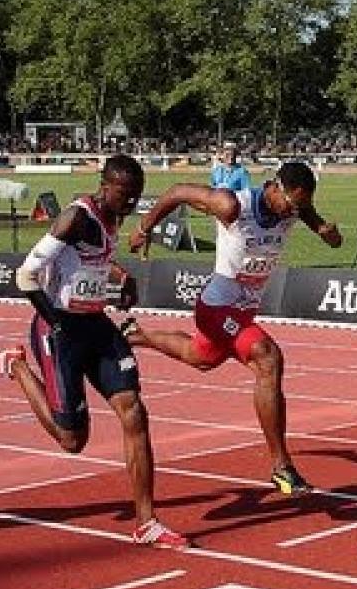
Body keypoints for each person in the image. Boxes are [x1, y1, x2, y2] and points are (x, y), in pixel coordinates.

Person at [0, 155, 188, 549]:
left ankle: (148, 522)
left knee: (134, 410)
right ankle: (18, 367)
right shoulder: (76, 218)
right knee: (72, 441)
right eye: (125, 196)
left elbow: (94, 261)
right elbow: (26, 274)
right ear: (105, 185)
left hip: (96, 324)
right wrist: (55, 322)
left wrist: (122, 277)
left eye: (136, 199)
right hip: (59, 329)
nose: (130, 205)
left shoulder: (113, 216)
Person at [124, 161, 341, 495]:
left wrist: (329, 234)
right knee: (268, 359)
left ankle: (136, 334)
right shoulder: (232, 205)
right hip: (217, 306)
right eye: (293, 204)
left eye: (301, 206)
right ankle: (282, 467)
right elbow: (178, 192)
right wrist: (144, 227)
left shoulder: (296, 206)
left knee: (201, 357)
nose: (295, 211)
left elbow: (322, 228)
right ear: (276, 188)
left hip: (243, 310)